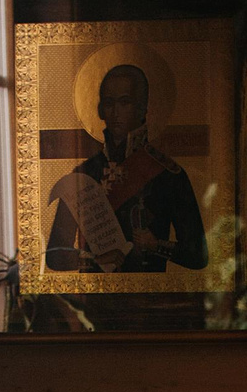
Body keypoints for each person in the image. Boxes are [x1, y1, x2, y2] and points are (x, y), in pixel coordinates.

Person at [42, 63, 207, 275]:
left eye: (125, 102)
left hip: (150, 292)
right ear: (100, 110)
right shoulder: (84, 174)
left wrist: (156, 245)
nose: (115, 112)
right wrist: (94, 260)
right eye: (109, 103)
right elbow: (54, 255)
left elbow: (198, 255)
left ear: (142, 108)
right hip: (95, 292)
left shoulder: (167, 175)